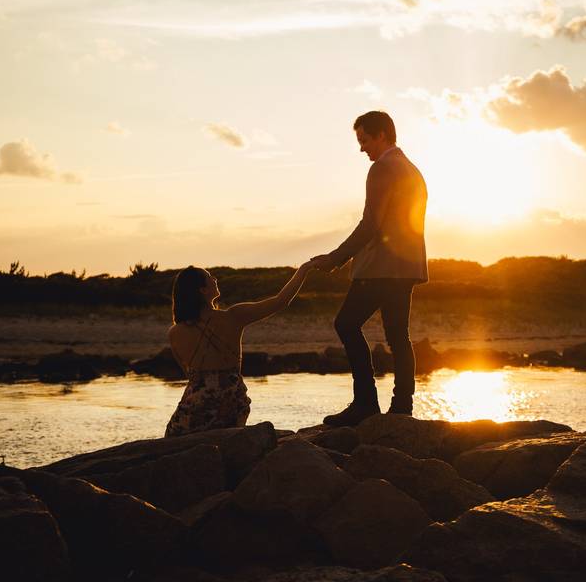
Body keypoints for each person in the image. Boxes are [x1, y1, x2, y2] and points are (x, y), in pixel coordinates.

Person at [311, 110, 428, 426]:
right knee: (398, 335)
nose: (362, 148)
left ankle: (365, 403)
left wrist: (336, 258)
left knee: (346, 325)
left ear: (381, 135)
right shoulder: (412, 170)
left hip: (380, 267)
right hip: (407, 266)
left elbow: (370, 225)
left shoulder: (382, 169)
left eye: (364, 140)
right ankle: (402, 407)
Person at [164, 261, 314, 436]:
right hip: (233, 403)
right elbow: (280, 301)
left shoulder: (175, 332)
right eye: (209, 277)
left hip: (197, 407)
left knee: (170, 437)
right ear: (202, 290)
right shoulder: (234, 316)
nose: (215, 279)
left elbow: (192, 378)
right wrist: (304, 269)